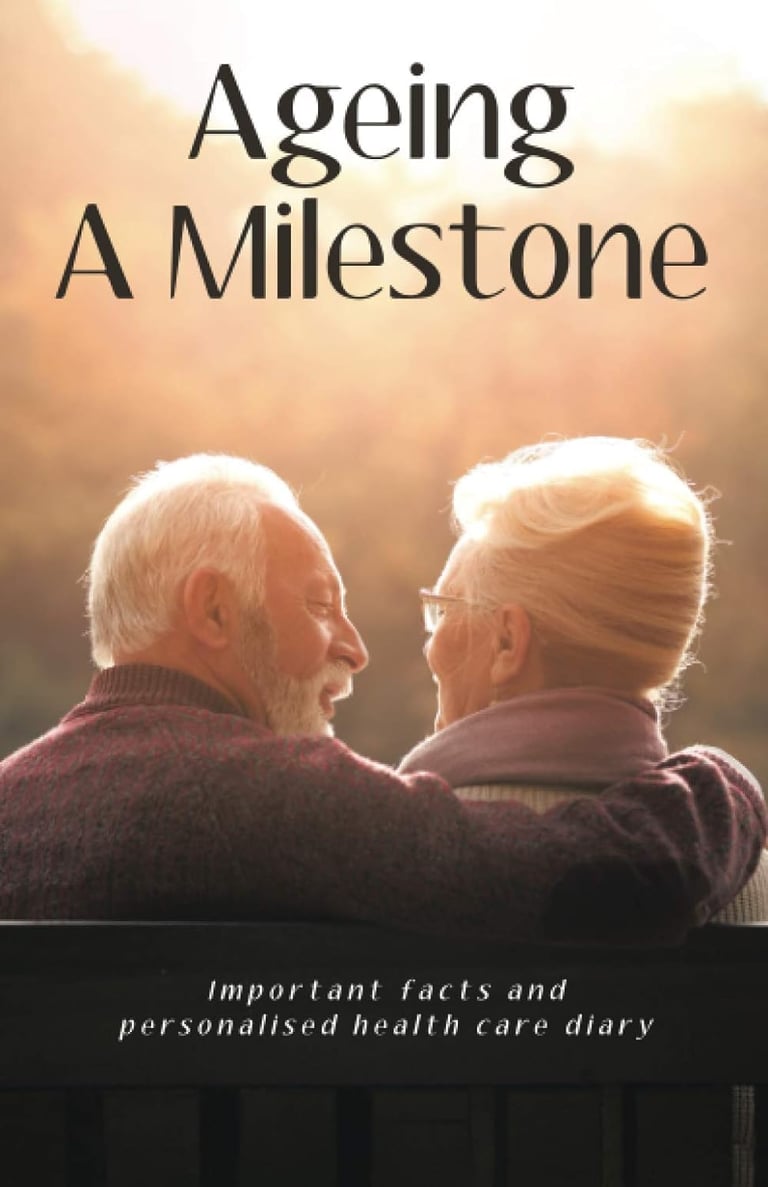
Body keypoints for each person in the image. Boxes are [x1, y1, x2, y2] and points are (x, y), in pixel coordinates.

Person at [0, 453, 763, 944]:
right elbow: (600, 880)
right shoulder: (264, 798)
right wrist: (724, 787)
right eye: (320, 603)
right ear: (214, 611)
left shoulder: (12, 801)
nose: (357, 646)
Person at [398, 436, 768, 924]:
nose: (431, 645)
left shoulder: (399, 861)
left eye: (443, 611)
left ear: (508, 643)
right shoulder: (752, 876)